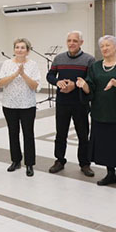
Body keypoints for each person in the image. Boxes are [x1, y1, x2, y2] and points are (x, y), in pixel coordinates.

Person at [76, 35, 116, 195]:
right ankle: (110, 174)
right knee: (105, 146)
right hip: (100, 113)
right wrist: (84, 85)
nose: (104, 48)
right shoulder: (95, 67)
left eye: (108, 45)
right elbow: (91, 87)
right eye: (102, 46)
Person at [46, 31, 96, 177]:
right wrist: (58, 82)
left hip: (80, 103)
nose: (71, 43)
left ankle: (85, 163)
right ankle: (59, 160)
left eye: (75, 40)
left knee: (83, 135)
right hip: (62, 102)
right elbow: (50, 75)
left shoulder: (89, 59)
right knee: (61, 134)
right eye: (69, 40)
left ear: (81, 42)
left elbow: (92, 80)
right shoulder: (59, 58)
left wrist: (75, 85)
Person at [0, 38, 41, 177]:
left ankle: (29, 164)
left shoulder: (33, 65)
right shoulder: (7, 63)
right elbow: (1, 83)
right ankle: (15, 161)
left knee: (28, 134)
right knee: (13, 133)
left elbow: (34, 86)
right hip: (9, 104)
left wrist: (23, 74)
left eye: (22, 47)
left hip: (27, 105)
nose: (19, 50)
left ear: (27, 51)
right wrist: (15, 74)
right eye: (17, 47)